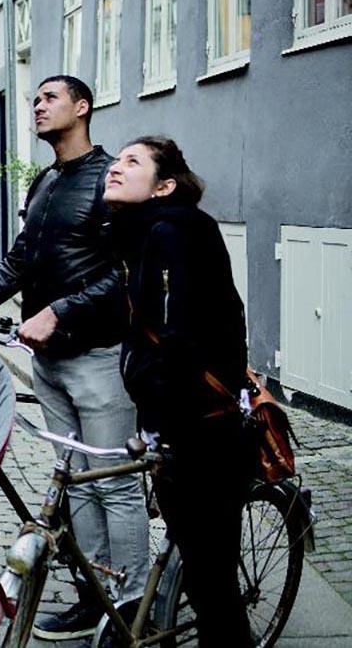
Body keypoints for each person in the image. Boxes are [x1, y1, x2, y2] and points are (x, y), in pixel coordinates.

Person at [0, 75, 149, 638]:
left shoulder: (110, 178)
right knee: (73, 477)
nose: (38, 106)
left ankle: (134, 603)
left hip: (98, 356)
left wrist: (63, 312)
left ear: (83, 106)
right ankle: (96, 594)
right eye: (35, 100)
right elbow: (17, 264)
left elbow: (128, 274)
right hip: (48, 362)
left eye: (49, 98)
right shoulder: (46, 182)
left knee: (112, 481)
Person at [106, 136, 252, 646]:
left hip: (204, 429)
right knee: (201, 568)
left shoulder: (177, 229)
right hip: (179, 425)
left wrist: (162, 413)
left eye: (132, 161)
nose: (116, 168)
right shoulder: (141, 232)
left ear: (165, 185)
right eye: (117, 159)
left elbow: (181, 333)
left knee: (212, 585)